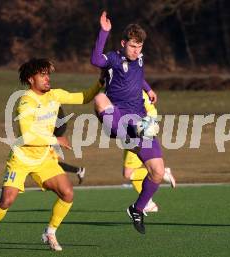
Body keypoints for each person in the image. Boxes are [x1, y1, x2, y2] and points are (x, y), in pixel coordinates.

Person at [0, 58, 104, 253]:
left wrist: (100, 83)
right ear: (30, 79)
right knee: (6, 200)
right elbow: (27, 135)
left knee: (67, 193)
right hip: (22, 159)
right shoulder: (26, 101)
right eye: (42, 75)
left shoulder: (54, 95)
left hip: (44, 158)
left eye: (48, 74)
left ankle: (50, 232)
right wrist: (55, 140)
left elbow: (84, 97)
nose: (47, 78)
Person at [91, 11, 170, 234]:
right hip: (118, 115)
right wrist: (103, 32)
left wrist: (148, 89)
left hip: (140, 119)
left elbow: (138, 76)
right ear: (123, 43)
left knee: (157, 171)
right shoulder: (114, 59)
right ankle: (122, 134)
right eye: (133, 46)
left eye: (140, 47)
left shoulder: (140, 58)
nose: (136, 51)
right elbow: (96, 60)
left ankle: (137, 209)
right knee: (99, 98)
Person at [123, 92, 176, 213]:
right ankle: (148, 203)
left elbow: (149, 113)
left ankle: (161, 174)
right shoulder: (132, 89)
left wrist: (142, 128)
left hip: (138, 135)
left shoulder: (136, 92)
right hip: (132, 132)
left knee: (128, 173)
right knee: (128, 173)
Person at [54, 106, 86, 184]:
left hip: (54, 134)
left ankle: (59, 182)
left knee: (50, 163)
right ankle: (78, 170)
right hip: (52, 133)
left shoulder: (51, 102)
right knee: (49, 163)